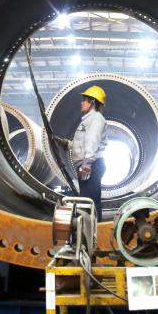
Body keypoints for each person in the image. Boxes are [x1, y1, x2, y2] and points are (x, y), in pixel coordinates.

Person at [57, 85, 107, 219]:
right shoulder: (88, 120)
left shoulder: (96, 118)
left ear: (92, 102)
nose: (82, 103)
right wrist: (68, 144)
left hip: (91, 165)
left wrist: (87, 164)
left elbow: (92, 141)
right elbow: (83, 143)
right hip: (89, 164)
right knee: (87, 202)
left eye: (84, 100)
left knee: (90, 202)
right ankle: (89, 228)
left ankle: (94, 229)